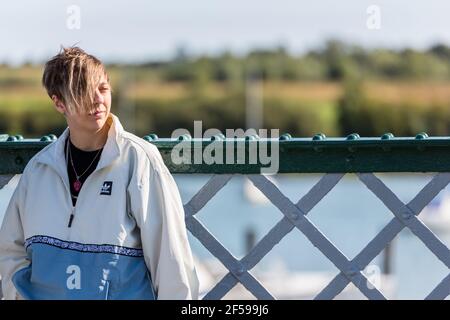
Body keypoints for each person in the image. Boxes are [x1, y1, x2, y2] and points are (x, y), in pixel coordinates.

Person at [0, 47, 199, 300]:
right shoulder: (39, 170)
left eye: (103, 89)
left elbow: (172, 261)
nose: (97, 99)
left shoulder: (139, 160)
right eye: (83, 90)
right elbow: (10, 251)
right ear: (58, 102)